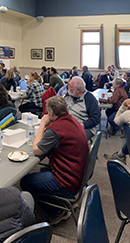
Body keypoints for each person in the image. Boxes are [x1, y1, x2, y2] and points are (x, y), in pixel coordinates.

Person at [19, 96, 88, 224]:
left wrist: (43, 124)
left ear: (51, 113)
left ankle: (56, 211)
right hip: (77, 174)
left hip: (67, 182)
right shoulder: (72, 120)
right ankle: (58, 202)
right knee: (41, 171)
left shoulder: (55, 130)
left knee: (25, 182)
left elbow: (36, 150)